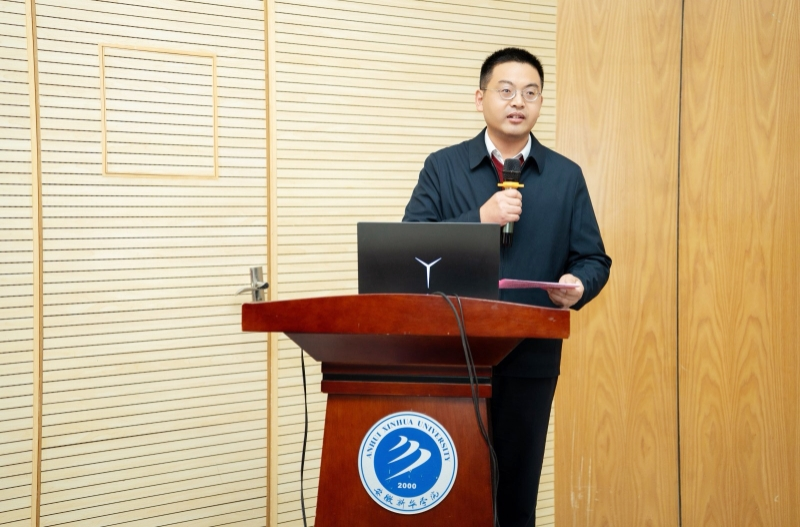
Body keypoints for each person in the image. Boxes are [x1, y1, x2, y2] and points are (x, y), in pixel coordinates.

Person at [402, 47, 611, 526]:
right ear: (481, 99)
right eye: (507, 90)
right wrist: (480, 218)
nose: (519, 101)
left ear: (540, 103)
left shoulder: (565, 176)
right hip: (454, 355)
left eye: (531, 93)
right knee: (450, 492)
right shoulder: (443, 167)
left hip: (530, 356)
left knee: (517, 496)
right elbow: (411, 247)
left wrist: (578, 284)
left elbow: (593, 258)